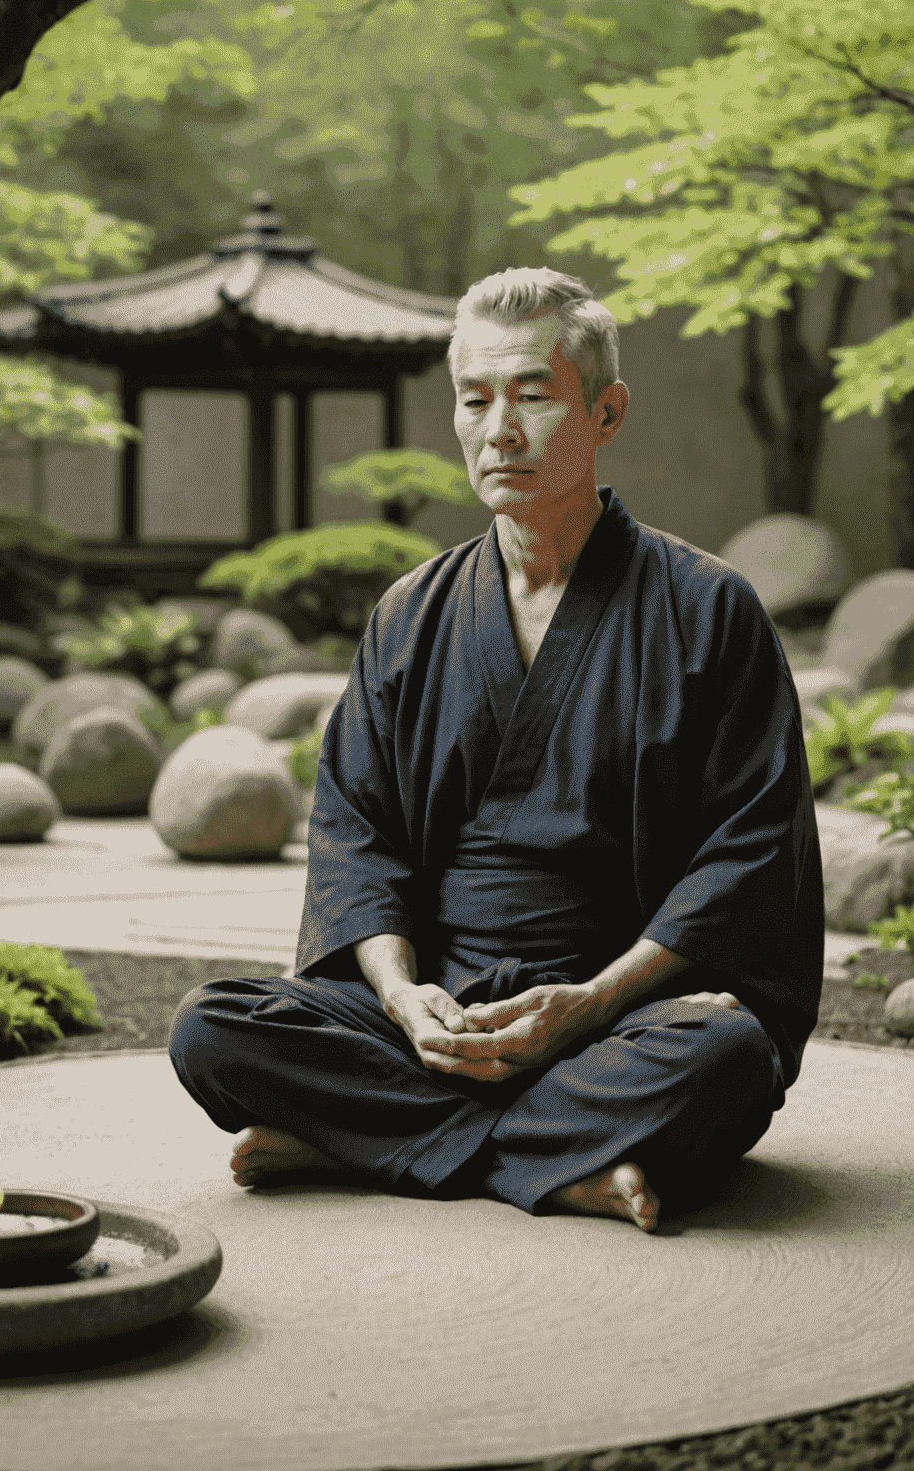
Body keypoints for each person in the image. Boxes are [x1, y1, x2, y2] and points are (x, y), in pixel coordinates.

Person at [168, 268, 823, 1232]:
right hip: (441, 1008)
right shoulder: (411, 615)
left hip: (621, 1009)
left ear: (606, 413)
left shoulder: (706, 609)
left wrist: (591, 1003)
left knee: (722, 1058)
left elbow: (750, 853)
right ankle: (561, 1167)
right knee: (210, 1029)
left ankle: (372, 1143)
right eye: (475, 400)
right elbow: (357, 835)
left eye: (533, 395)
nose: (498, 430)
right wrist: (401, 1002)